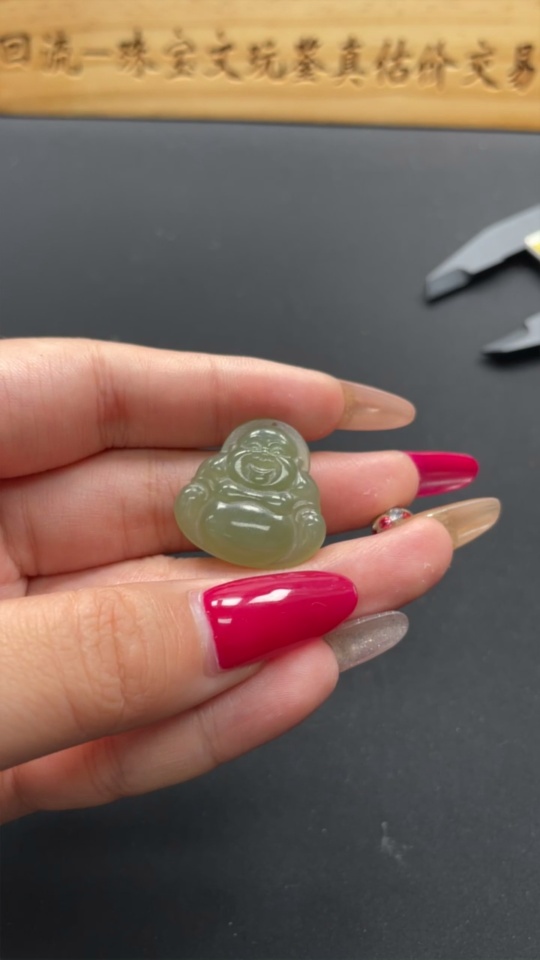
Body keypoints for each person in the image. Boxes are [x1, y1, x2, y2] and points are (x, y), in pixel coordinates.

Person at [0, 338, 499, 823]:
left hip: (275, 533)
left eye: (274, 458)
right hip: (221, 518)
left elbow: (307, 520)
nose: (261, 463)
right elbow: (194, 500)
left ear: (291, 467)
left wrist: (298, 518)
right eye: (252, 454)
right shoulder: (217, 478)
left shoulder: (296, 488)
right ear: (231, 458)